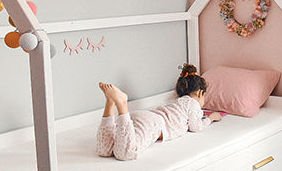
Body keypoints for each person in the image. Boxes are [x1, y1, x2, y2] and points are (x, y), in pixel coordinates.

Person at [95, 64, 223, 161]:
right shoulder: (193, 103)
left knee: (105, 149)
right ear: (200, 93)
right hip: (154, 123)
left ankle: (110, 103)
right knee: (126, 152)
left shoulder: (178, 102)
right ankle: (122, 105)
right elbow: (196, 127)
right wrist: (210, 118)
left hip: (144, 116)